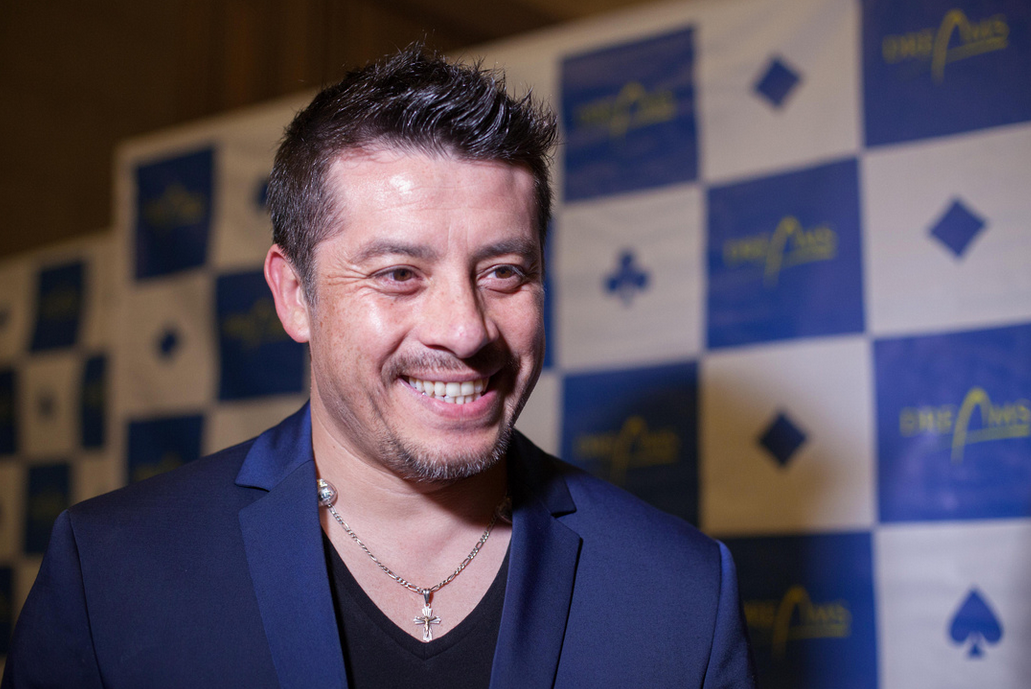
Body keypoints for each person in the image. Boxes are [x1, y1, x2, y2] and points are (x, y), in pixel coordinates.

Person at [2, 46, 756, 688]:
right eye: (399, 273)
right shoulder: (111, 572)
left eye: (502, 272)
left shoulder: (683, 593)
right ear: (294, 295)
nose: (464, 329)